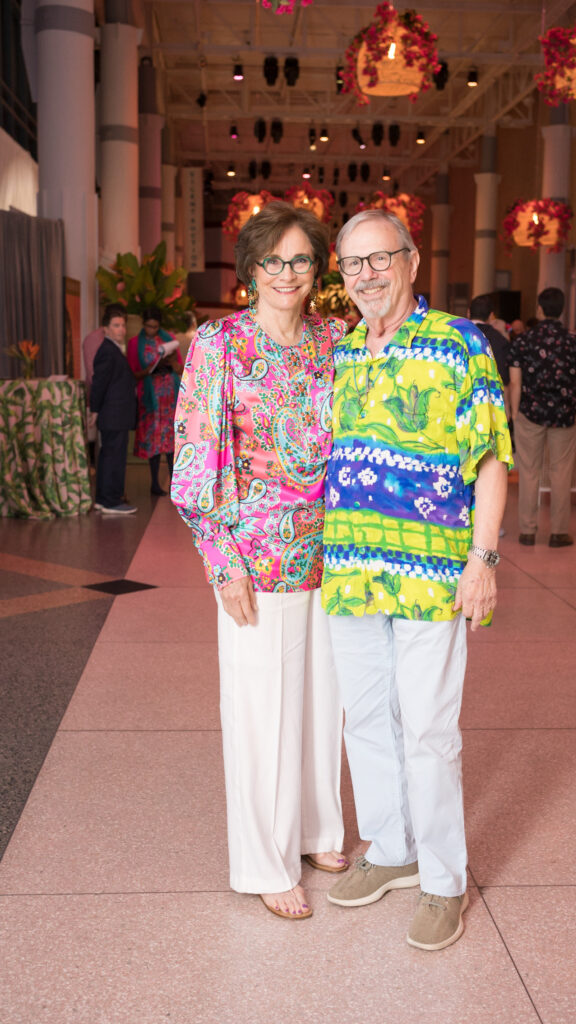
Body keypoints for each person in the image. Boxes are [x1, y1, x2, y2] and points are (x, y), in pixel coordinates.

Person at [320, 209, 512, 951]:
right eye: (353, 264)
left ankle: (443, 880)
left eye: (380, 259)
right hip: (350, 569)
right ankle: (392, 850)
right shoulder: (341, 355)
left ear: (412, 261)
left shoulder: (460, 344)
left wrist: (483, 559)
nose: (366, 275)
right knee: (366, 720)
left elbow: (492, 454)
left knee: (429, 729)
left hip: (433, 572)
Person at [171, 201, 347, 921]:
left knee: (321, 703)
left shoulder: (338, 341)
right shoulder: (219, 345)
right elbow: (193, 462)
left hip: (334, 555)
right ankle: (264, 860)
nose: (286, 273)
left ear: (318, 268)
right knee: (260, 710)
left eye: (300, 259)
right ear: (250, 269)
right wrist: (222, 561)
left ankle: (314, 830)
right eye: (272, 260)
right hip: (255, 555)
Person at [509, 287, 576, 547]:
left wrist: (514, 412)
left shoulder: (523, 340)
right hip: (565, 415)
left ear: (539, 309)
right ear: (563, 309)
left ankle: (527, 531)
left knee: (529, 472)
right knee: (561, 472)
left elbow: (515, 381)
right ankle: (558, 532)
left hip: (529, 413)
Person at [127, 306, 183, 496]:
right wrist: (150, 368)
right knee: (154, 441)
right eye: (149, 326)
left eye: (155, 327)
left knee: (171, 441)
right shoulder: (135, 343)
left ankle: (174, 483)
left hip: (169, 396)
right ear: (143, 324)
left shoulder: (168, 339)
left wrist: (171, 363)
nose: (152, 330)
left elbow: (180, 367)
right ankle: (154, 483)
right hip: (151, 396)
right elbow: (132, 372)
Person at [89, 306, 138, 515]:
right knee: (113, 458)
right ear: (105, 329)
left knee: (110, 456)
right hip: (113, 414)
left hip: (116, 414)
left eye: (123, 325)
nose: (121, 330)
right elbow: (98, 383)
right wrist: (94, 409)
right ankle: (110, 500)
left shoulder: (113, 349)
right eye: (116, 325)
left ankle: (104, 498)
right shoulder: (107, 351)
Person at [468, 293, 510, 408]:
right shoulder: (499, 339)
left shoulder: (454, 333)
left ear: (468, 312)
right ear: (491, 316)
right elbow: (503, 377)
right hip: (488, 403)